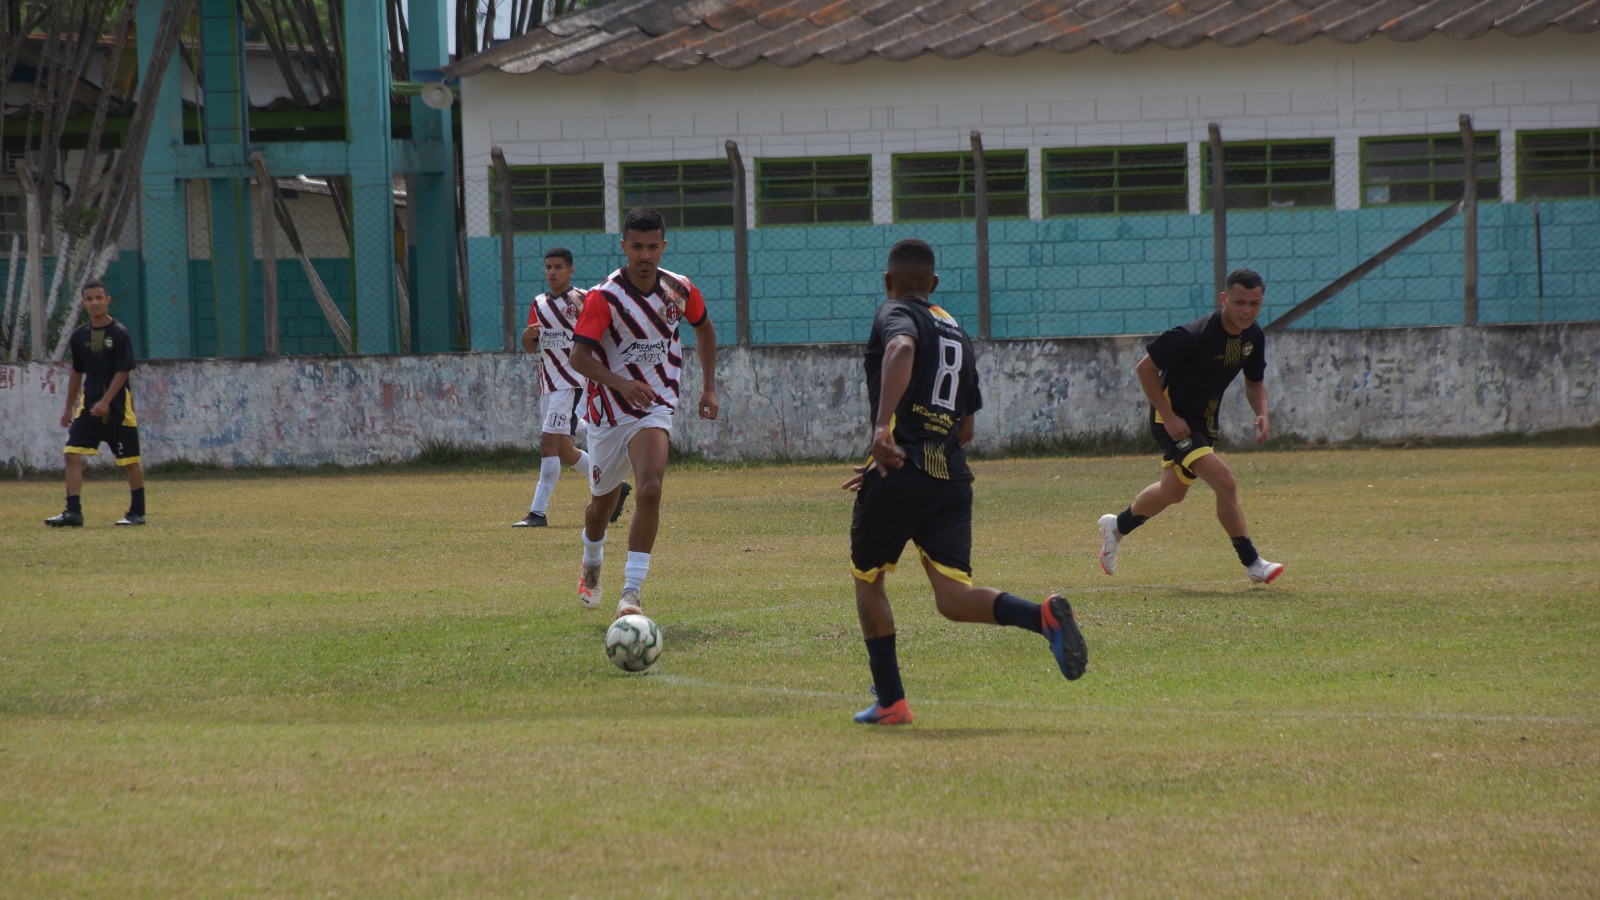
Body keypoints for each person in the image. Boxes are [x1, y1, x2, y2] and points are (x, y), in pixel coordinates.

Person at [844, 239, 1086, 726]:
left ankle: (891, 701)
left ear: (889, 284)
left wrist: (883, 429)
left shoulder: (894, 313)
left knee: (868, 580)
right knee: (953, 598)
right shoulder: (957, 331)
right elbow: (967, 428)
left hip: (901, 471)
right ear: (934, 285)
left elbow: (900, 347)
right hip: (950, 478)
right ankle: (1040, 617)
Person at [567, 207, 719, 619]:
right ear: (624, 247)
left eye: (653, 246)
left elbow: (704, 328)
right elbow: (579, 357)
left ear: (663, 246)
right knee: (602, 504)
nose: (645, 255)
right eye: (636, 247)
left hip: (654, 407)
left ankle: (631, 594)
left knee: (650, 487)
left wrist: (708, 386)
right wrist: (621, 383)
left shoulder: (679, 289)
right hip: (607, 412)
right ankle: (592, 561)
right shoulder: (604, 298)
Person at [1097, 267, 1284, 584]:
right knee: (1225, 482)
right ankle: (1253, 563)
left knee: (1172, 492)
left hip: (1203, 424)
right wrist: (1168, 417)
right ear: (1224, 298)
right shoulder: (1193, 335)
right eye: (1239, 302)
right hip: (1172, 421)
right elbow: (1146, 369)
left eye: (1254, 303)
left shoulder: (1253, 337)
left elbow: (1255, 384)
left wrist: (1263, 413)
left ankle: (1116, 527)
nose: (1246, 311)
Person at [513, 247, 629, 528]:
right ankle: (619, 485)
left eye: (558, 267)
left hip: (572, 383)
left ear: (570, 270)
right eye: (548, 267)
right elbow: (530, 347)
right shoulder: (538, 303)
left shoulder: (582, 300)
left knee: (547, 444)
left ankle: (537, 513)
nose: (552, 272)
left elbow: (600, 335)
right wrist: (527, 336)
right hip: (548, 384)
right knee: (564, 450)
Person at [45, 280, 147, 527]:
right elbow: (77, 371)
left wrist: (106, 401)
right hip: (88, 408)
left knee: (130, 461)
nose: (95, 303)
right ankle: (73, 512)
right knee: (71, 454)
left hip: (118, 410)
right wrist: (69, 407)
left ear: (107, 300)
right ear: (83, 303)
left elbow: (123, 371)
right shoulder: (79, 336)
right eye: (89, 299)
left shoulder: (119, 333)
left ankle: (137, 512)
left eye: (99, 298)